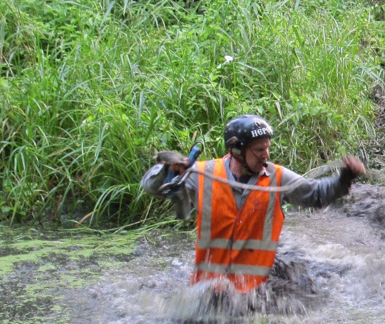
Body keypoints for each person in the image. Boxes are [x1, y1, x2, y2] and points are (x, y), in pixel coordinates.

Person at [141, 114, 366, 294]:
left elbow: (316, 195)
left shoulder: (278, 178)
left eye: (267, 148)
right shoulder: (204, 175)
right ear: (236, 150)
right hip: (204, 292)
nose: (265, 155)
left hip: (257, 296)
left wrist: (344, 179)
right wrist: (167, 170)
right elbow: (150, 186)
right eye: (259, 150)